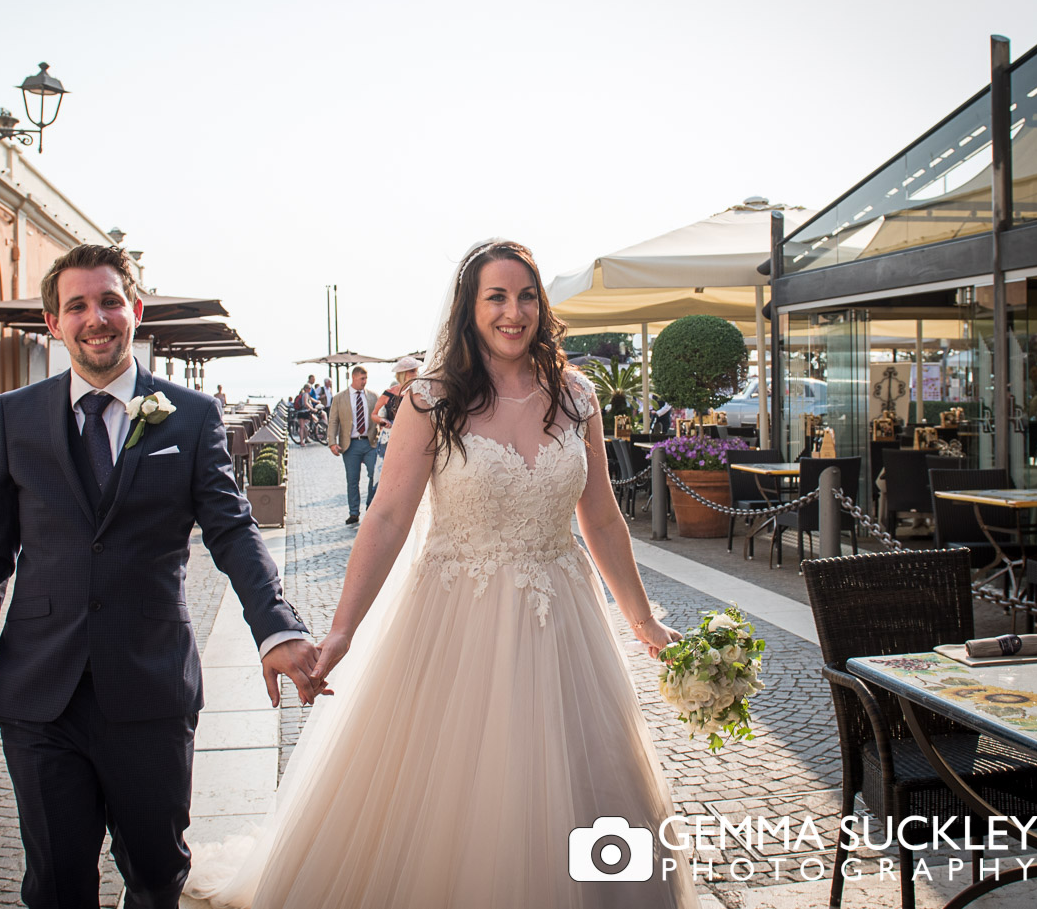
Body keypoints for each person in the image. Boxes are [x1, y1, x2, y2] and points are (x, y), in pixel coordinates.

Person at [186, 239, 695, 908]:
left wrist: (644, 619)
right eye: (497, 297)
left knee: (584, 778)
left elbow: (600, 518)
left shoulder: (578, 397)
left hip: (564, 620)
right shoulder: (432, 398)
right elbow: (389, 518)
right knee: (454, 797)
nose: (514, 311)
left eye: (526, 295)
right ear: (468, 307)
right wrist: (340, 632)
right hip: (455, 620)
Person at [0, 244, 321, 909]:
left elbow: (233, 531)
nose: (96, 317)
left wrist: (276, 628)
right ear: (53, 321)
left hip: (149, 689)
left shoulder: (191, 415)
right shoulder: (18, 415)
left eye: (110, 300)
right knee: (56, 884)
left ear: (135, 310)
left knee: (154, 876)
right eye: (78, 305)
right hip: (40, 695)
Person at [326, 366, 380, 524]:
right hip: (350, 445)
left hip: (370, 442)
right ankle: (354, 512)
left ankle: (370, 507)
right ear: (354, 378)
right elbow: (333, 421)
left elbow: (379, 416)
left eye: (366, 379)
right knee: (352, 480)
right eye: (362, 379)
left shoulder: (373, 396)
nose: (364, 382)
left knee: (374, 475)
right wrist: (332, 443)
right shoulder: (340, 398)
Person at [372, 355, 422, 472]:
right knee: (387, 471)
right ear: (403, 374)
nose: (416, 374)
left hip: (412, 437)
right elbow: (374, 414)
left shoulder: (419, 392)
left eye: (416, 371)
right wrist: (382, 420)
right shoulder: (389, 393)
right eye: (412, 371)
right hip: (390, 438)